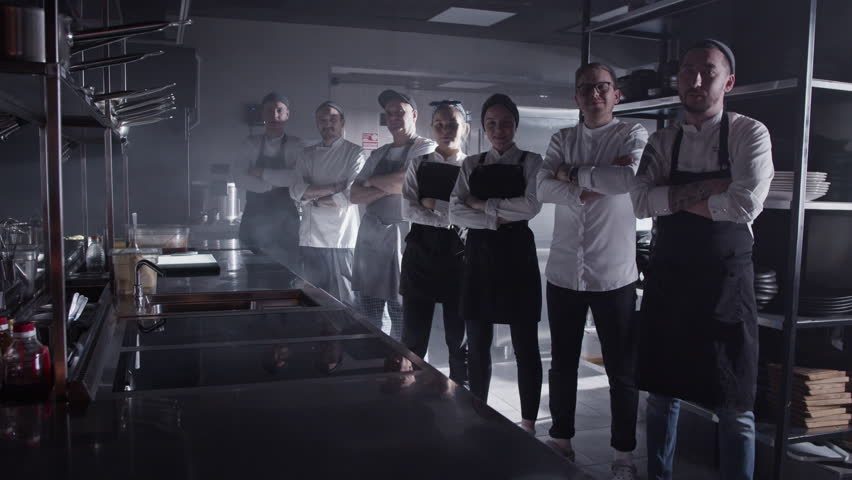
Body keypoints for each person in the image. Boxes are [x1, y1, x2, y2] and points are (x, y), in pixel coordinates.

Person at [630, 39, 773, 480]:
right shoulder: (662, 139)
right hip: (669, 279)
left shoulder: (750, 133)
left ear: (728, 81)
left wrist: (670, 198)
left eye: (707, 72)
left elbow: (746, 205)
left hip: (725, 286)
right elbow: (638, 203)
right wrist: (714, 187)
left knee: (735, 406)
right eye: (688, 71)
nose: (694, 80)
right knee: (660, 396)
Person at [537, 63, 648, 479]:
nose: (595, 94)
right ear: (576, 97)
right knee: (562, 363)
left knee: (622, 370)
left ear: (616, 94)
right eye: (586, 88)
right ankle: (561, 439)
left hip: (614, 273)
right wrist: (594, 182)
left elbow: (630, 178)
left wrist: (569, 175)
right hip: (565, 271)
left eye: (603, 87)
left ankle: (623, 455)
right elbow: (541, 187)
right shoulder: (562, 138)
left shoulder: (633, 135)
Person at [449, 93, 543, 435]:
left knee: (526, 346)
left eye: (505, 123)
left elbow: (531, 207)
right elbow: (454, 211)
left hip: (518, 256)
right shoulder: (471, 164)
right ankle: (479, 413)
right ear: (483, 128)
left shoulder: (533, 161)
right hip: (480, 257)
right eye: (492, 123)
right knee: (477, 344)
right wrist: (496, 217)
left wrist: (481, 205)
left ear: (515, 125)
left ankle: (529, 423)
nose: (498, 129)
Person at [351, 90, 436, 339]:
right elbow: (354, 195)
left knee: (404, 311)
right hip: (370, 240)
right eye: (389, 113)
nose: (394, 117)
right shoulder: (379, 153)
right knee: (369, 311)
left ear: (414, 115)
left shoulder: (425, 147)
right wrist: (388, 186)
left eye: (400, 112)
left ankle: (410, 371)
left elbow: (408, 182)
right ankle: (375, 365)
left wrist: (371, 184)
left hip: (404, 238)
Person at [399, 100, 470, 385]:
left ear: (464, 127)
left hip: (459, 260)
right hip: (420, 259)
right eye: (439, 124)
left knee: (459, 341)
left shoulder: (472, 167)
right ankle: (410, 400)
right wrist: (449, 215)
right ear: (431, 128)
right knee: (413, 341)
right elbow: (408, 211)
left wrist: (433, 205)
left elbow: (471, 215)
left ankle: (464, 403)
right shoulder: (419, 163)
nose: (445, 129)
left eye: (452, 123)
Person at [290, 101, 366, 307]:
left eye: (333, 119)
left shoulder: (355, 153)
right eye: (322, 120)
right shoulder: (307, 154)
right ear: (317, 124)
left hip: (341, 240)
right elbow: (296, 191)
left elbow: (351, 194)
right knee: (312, 298)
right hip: (310, 239)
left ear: (342, 122)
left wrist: (312, 200)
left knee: (343, 302)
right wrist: (334, 187)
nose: (328, 124)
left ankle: (344, 339)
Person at [234, 92, 304, 271]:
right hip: (253, 218)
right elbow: (239, 178)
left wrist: (260, 172)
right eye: (269, 111)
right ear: (262, 115)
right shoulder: (249, 143)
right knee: (252, 273)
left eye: (280, 110)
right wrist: (271, 183)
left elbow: (296, 178)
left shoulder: (297, 145)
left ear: (287, 114)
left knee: (287, 273)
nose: (275, 115)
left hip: (286, 222)